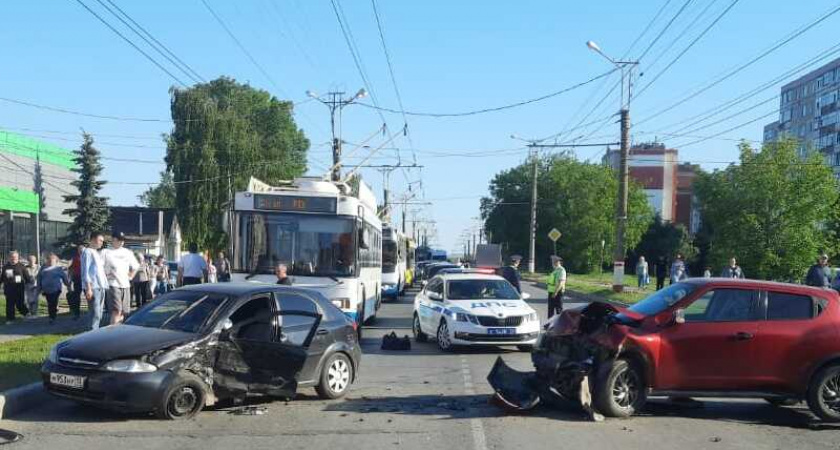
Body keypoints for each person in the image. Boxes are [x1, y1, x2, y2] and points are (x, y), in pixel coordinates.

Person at [104, 232, 138, 325]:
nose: (121, 242)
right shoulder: (107, 252)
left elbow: (135, 266)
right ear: (113, 240)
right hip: (113, 284)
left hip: (125, 285)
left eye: (122, 240)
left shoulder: (128, 252)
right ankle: (112, 331)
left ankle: (118, 330)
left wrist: (130, 276)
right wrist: (106, 275)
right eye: (119, 240)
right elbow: (101, 267)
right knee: (116, 310)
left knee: (124, 311)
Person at [81, 232, 108, 330]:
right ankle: (92, 332)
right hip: (93, 287)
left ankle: (95, 330)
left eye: (102, 241)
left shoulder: (96, 252)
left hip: (101, 286)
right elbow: (85, 271)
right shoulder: (87, 252)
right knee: (95, 313)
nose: (101, 242)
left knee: (100, 312)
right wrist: (88, 288)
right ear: (92, 239)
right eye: (100, 240)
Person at [37, 253, 70, 324]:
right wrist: (39, 288)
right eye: (49, 260)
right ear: (47, 260)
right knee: (50, 302)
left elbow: (64, 277)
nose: (50, 261)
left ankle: (52, 317)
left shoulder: (58, 268)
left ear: (55, 261)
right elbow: (39, 278)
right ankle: (52, 314)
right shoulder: (43, 268)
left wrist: (68, 285)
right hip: (46, 290)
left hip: (56, 289)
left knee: (53, 302)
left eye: (52, 260)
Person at [1, 251, 33, 321]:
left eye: (15, 257)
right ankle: (10, 319)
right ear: (9, 258)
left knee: (20, 304)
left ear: (18, 258)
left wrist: (30, 284)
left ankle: (26, 314)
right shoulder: (5, 267)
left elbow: (27, 277)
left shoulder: (21, 266)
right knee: (10, 305)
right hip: (9, 289)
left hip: (19, 289)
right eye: (12, 257)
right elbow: (2, 278)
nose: (14, 258)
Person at [66, 244, 85, 320]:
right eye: (79, 250)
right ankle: (76, 313)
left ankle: (92, 312)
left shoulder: (87, 256)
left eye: (81, 250)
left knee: (89, 296)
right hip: (77, 278)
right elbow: (71, 269)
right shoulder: (76, 258)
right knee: (76, 296)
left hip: (85, 279)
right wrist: (69, 279)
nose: (80, 251)